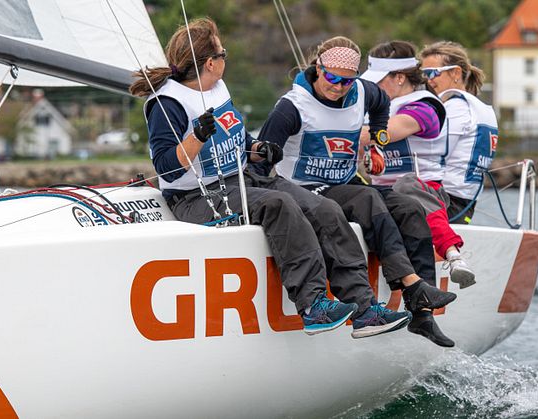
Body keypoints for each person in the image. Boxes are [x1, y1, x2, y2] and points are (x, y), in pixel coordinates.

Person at [129, 18, 410, 339]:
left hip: (242, 179)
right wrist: (196, 136)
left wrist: (258, 148)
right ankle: (313, 306)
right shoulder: (166, 102)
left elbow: (237, 138)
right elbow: (168, 168)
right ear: (210, 63)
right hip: (195, 198)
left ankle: (364, 309)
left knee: (325, 209)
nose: (225, 59)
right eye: (223, 54)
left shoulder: (217, 88)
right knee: (280, 204)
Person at [257, 36, 456, 347]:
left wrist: (377, 135)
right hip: (307, 189)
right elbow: (258, 163)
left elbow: (381, 103)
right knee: (368, 199)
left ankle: (423, 311)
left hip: (344, 182)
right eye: (332, 78)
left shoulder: (363, 91)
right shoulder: (292, 107)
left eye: (346, 82)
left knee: (409, 208)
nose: (338, 87)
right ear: (318, 69)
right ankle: (407, 286)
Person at [360, 40, 476, 292]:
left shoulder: (425, 107)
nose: (372, 88)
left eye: (378, 81)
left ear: (399, 78)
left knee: (406, 187)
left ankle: (454, 255)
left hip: (424, 188)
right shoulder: (375, 108)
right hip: (382, 193)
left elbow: (385, 133)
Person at [419, 41, 498, 224]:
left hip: (446, 202)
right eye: (424, 74)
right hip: (466, 201)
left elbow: (433, 152)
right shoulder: (482, 108)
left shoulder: (455, 107)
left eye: (432, 73)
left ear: (455, 72)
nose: (428, 80)